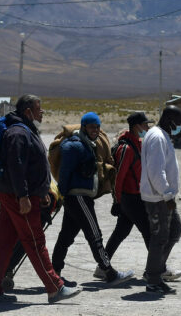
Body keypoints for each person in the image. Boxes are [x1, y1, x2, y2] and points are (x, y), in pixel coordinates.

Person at [0, 94, 80, 304]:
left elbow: (31, 166)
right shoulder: (18, 132)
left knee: (4, 241)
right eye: (39, 108)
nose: (42, 111)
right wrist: (24, 196)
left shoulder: (24, 129)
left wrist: (42, 190)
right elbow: (16, 167)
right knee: (34, 240)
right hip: (17, 196)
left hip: (15, 194)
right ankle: (55, 287)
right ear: (28, 111)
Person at [99, 112, 181, 283]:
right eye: (145, 125)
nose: (147, 127)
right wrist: (117, 201)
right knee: (150, 233)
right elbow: (119, 176)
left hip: (137, 197)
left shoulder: (139, 144)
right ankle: (157, 270)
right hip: (130, 199)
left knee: (120, 232)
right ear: (137, 126)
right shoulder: (127, 148)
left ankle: (103, 267)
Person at [52, 112, 134, 286]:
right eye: (91, 127)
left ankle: (55, 273)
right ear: (83, 127)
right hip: (78, 197)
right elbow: (65, 172)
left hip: (79, 198)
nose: (95, 130)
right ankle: (109, 273)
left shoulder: (88, 144)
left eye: (97, 127)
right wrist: (63, 193)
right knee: (94, 235)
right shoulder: (74, 146)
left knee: (66, 237)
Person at [140, 106, 181, 295]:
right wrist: (167, 195)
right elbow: (155, 171)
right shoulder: (157, 137)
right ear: (170, 121)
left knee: (174, 231)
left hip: (163, 196)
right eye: (178, 124)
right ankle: (153, 279)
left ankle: (155, 271)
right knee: (160, 237)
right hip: (158, 197)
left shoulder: (161, 135)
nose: (179, 128)